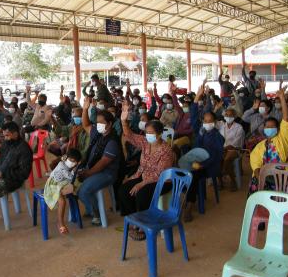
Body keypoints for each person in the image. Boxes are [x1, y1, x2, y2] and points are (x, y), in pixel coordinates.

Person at [118, 103, 174, 240]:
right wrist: (123, 121)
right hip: (144, 175)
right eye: (147, 132)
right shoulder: (145, 142)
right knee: (124, 190)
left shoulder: (166, 150)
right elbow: (129, 135)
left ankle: (144, 226)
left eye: (151, 133)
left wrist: (141, 184)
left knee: (142, 194)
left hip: (162, 181)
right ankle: (133, 220)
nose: (148, 135)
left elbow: (160, 174)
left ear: (160, 134)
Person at [178, 84, 225, 222]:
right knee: (181, 171)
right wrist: (197, 97)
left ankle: (189, 206)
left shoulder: (218, 137)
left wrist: (201, 164)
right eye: (205, 120)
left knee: (193, 174)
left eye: (210, 121)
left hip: (209, 166)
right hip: (194, 162)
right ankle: (186, 197)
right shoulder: (200, 130)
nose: (207, 123)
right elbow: (193, 115)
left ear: (215, 122)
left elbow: (216, 156)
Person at [77, 97, 121, 226]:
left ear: (110, 124)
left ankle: (97, 214)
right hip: (93, 168)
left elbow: (103, 163)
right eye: (97, 123)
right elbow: (85, 124)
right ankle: (91, 208)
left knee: (83, 191)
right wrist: (85, 109)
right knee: (73, 186)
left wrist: (88, 173)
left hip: (107, 173)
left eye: (102, 123)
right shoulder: (98, 132)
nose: (98, 125)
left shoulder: (112, 141)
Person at [249, 86, 288, 194]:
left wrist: (282, 98)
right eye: (267, 127)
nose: (269, 129)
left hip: (283, 176)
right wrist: (261, 179)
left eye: (272, 127)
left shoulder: (283, 139)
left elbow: (286, 119)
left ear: (278, 129)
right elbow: (256, 166)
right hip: (264, 177)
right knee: (255, 191)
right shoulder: (260, 146)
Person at [43, 148, 82, 235]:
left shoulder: (69, 166)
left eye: (74, 161)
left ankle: (73, 215)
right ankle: (60, 223)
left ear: (77, 162)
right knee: (62, 202)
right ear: (65, 157)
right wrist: (75, 170)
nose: (71, 162)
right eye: (70, 160)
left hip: (61, 183)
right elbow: (71, 177)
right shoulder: (62, 166)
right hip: (53, 186)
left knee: (75, 187)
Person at [219, 108, 245, 191]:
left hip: (235, 149)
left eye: (230, 115)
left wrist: (225, 148)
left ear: (234, 116)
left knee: (227, 159)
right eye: (226, 115)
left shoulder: (239, 127)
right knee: (217, 158)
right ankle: (220, 182)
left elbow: (236, 143)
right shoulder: (221, 126)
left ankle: (231, 180)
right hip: (223, 149)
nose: (228, 117)